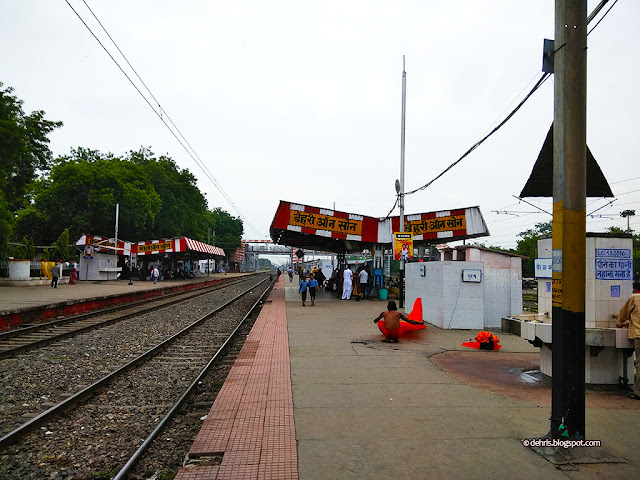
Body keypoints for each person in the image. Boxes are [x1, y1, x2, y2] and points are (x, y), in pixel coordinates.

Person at [616, 281, 640, 400]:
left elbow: (623, 314)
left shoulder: (635, 298)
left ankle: (638, 392)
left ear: (635, 289)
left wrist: (620, 321)